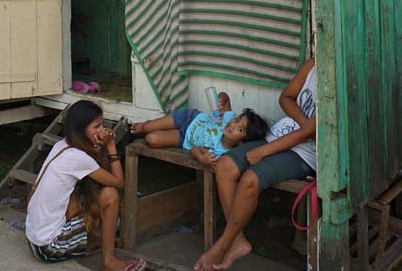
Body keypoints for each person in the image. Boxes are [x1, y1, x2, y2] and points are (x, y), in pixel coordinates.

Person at [194, 58, 317, 271]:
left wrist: (263, 151)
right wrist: (304, 122)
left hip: (305, 153)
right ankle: (238, 240)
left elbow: (309, 134)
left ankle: (222, 244)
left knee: (251, 178)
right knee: (224, 165)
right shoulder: (312, 65)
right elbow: (286, 98)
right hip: (277, 135)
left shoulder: (337, 83)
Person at [25, 100, 145, 271]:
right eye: (96, 126)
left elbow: (99, 173)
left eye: (102, 124)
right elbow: (118, 181)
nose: (102, 130)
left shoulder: (63, 145)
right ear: (81, 131)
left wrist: (102, 146)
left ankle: (89, 240)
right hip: (48, 248)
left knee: (84, 193)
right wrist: (111, 146)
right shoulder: (77, 158)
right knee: (110, 195)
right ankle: (109, 261)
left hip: (34, 238)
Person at [130, 93, 269, 167]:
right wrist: (219, 101)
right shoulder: (228, 119)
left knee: (151, 139)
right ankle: (142, 125)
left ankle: (147, 128)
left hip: (184, 138)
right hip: (190, 118)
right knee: (147, 127)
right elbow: (225, 97)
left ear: (243, 141)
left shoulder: (222, 153)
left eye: (240, 128)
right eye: (238, 120)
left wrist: (201, 158)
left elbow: (195, 149)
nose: (233, 125)